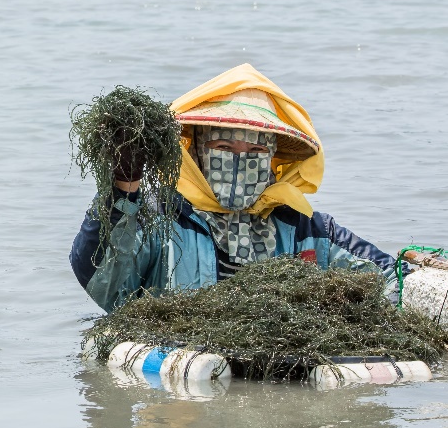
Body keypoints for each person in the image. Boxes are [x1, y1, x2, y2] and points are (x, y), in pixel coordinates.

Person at [71, 64, 396, 312]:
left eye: (255, 152)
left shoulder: (306, 229)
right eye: (224, 148)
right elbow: (104, 286)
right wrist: (122, 187)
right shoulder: (161, 220)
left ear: (272, 158)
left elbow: (389, 278)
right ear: (196, 151)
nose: (241, 162)